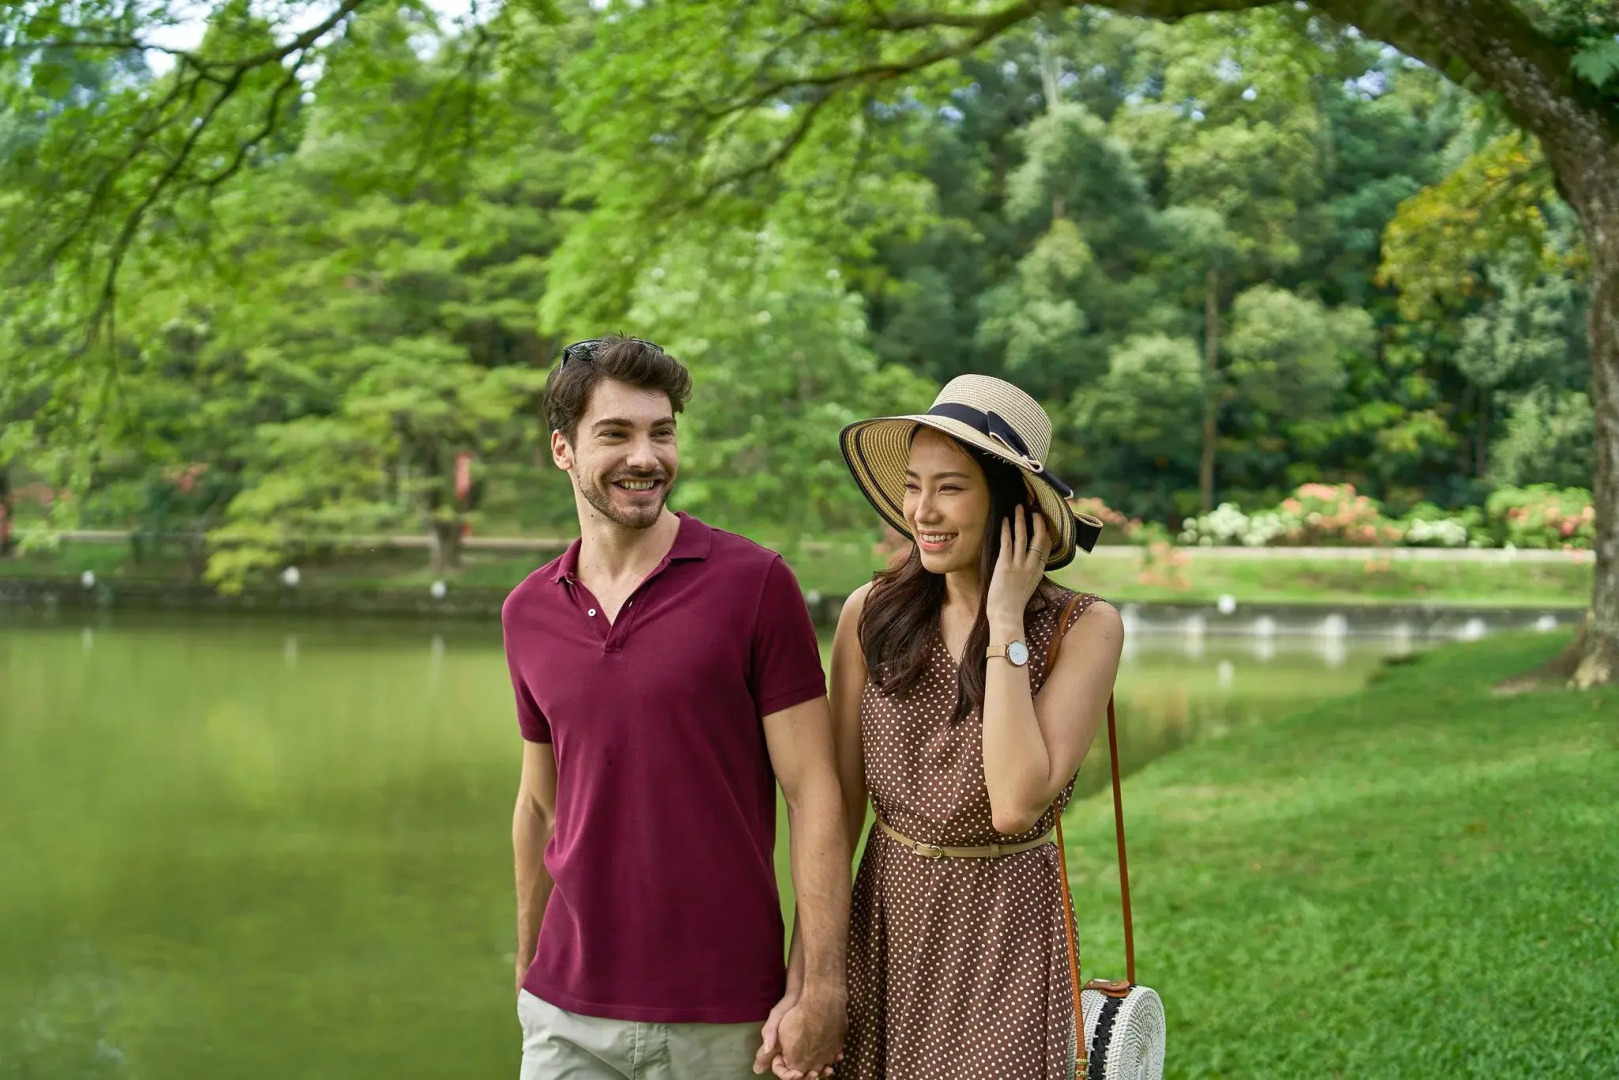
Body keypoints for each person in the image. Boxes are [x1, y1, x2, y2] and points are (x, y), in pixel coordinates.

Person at [503, 336, 849, 1080]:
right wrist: (529, 966)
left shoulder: (754, 584)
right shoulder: (526, 610)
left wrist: (820, 986)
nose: (646, 456)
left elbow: (814, 792)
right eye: (616, 434)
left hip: (724, 1016)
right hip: (565, 1016)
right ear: (562, 450)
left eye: (661, 431)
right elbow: (538, 802)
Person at [830, 374, 1124, 1078]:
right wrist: (813, 968)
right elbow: (836, 810)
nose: (921, 511)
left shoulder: (1083, 629)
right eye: (911, 485)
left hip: (1006, 929)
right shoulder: (867, 613)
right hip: (885, 918)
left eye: (950, 488)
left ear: (1012, 505)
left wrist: (1002, 622)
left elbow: (1015, 802)